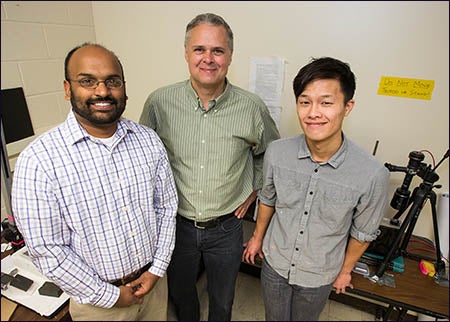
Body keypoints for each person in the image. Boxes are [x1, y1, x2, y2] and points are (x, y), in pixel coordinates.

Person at [11, 43, 178, 321]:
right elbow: (48, 250)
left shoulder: (148, 140)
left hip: (154, 288)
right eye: (87, 81)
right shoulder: (39, 161)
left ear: (124, 87)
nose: (102, 91)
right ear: (67, 89)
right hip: (98, 305)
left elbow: (166, 207)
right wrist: (110, 296)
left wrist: (157, 269)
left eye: (112, 81)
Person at [139, 13, 280, 321]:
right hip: (176, 227)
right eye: (199, 49)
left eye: (217, 50)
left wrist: (254, 190)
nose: (208, 58)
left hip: (227, 227)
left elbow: (271, 155)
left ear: (230, 56)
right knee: (181, 295)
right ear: (186, 53)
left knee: (222, 300)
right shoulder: (159, 103)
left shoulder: (251, 107)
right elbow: (142, 160)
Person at [243, 57, 390, 321]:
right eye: (305, 101)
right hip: (275, 263)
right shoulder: (277, 152)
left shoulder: (372, 174)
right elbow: (267, 199)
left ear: (347, 107)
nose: (313, 112)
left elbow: (364, 232)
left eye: (326, 102)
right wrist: (257, 237)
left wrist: (346, 270)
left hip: (320, 273)